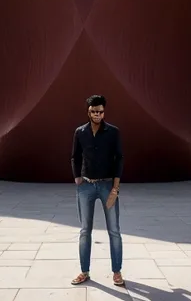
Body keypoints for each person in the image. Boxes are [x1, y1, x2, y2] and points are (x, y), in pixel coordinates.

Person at [71, 94, 124, 286]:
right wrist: (77, 178)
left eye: (100, 111)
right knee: (85, 231)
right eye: (94, 111)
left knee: (114, 230)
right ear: (88, 111)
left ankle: (117, 272)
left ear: (104, 111)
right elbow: (75, 156)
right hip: (85, 186)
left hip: (107, 185)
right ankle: (84, 271)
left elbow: (119, 159)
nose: (97, 115)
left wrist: (115, 188)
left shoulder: (113, 132)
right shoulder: (80, 132)